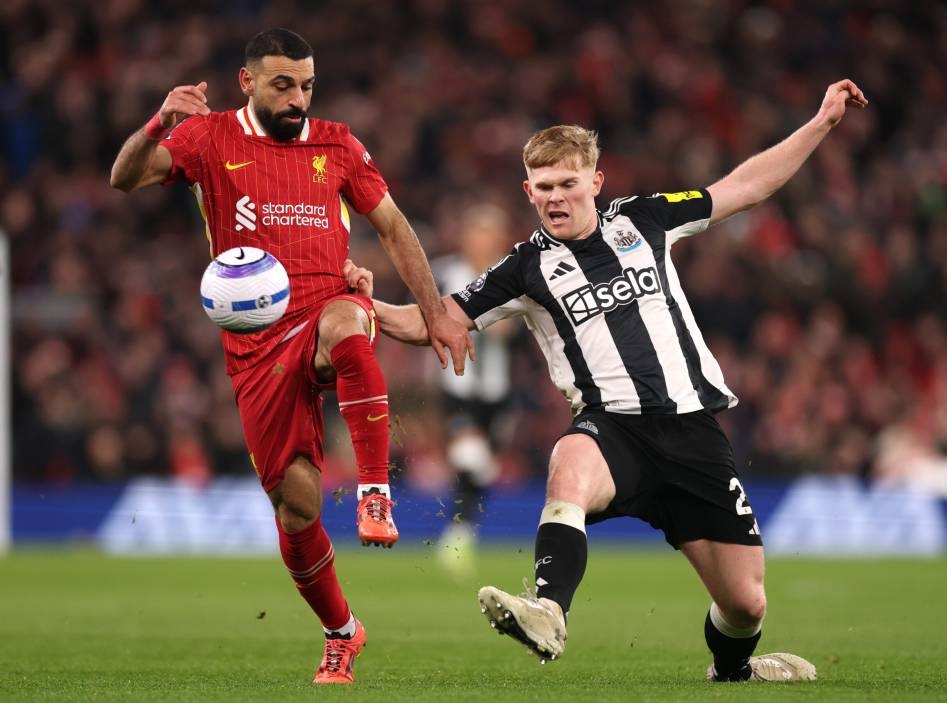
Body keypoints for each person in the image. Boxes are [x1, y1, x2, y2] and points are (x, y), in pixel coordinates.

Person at [370, 79, 867, 681]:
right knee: (568, 464)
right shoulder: (523, 269)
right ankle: (548, 611)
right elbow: (433, 321)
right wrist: (362, 305)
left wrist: (822, 123)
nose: (556, 197)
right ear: (528, 191)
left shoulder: (645, 219)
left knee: (746, 603)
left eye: (568, 183)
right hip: (612, 430)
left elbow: (745, 186)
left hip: (690, 430)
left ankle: (734, 668)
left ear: (595, 182)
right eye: (544, 187)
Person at [109, 28, 471, 685]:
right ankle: (342, 632)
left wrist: (437, 311)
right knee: (297, 508)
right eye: (283, 85)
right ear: (247, 82)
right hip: (255, 346)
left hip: (330, 306)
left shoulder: (339, 144)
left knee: (346, 324)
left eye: (306, 85)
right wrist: (159, 121)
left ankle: (375, 492)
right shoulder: (207, 137)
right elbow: (124, 176)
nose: (298, 98)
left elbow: (393, 226)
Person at [430, 203, 517, 573]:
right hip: (458, 388)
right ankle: (458, 537)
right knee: (469, 456)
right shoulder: (446, 273)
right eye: (477, 233)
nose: (482, 241)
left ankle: (461, 530)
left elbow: (519, 331)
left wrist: (508, 327)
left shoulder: (511, 276)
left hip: (498, 392)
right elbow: (426, 317)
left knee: (484, 470)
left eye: (489, 234)